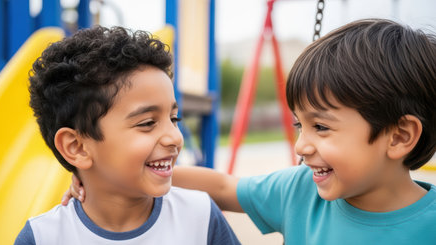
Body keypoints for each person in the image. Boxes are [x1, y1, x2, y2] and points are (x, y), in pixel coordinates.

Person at [65, 19, 436, 244]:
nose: (303, 147)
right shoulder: (301, 192)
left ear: (400, 136)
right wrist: (110, 176)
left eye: (321, 127)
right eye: (299, 126)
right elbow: (224, 188)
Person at [15, 26, 240, 245]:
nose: (175, 137)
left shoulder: (200, 217)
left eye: (174, 119)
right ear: (77, 147)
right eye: (148, 123)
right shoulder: (42, 237)